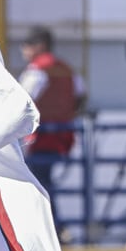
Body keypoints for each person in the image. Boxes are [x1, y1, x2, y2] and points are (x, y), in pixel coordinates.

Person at [16, 27, 85, 206]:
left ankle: (53, 226)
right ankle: (57, 226)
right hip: (62, 136)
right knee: (44, 181)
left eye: (27, 45)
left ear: (40, 46)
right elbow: (80, 96)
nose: (24, 49)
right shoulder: (66, 69)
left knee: (37, 183)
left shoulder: (38, 69)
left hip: (39, 137)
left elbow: (22, 100)